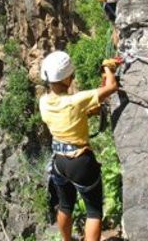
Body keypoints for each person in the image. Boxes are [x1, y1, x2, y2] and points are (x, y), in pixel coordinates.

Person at [39, 50, 119, 241]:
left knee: (65, 206)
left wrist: (87, 113)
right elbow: (112, 86)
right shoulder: (76, 100)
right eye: (71, 76)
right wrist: (108, 68)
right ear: (67, 78)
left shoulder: (43, 102)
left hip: (59, 162)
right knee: (93, 212)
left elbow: (67, 117)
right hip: (80, 162)